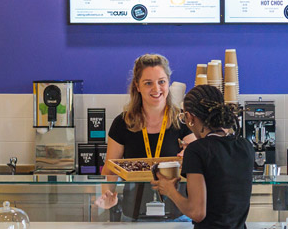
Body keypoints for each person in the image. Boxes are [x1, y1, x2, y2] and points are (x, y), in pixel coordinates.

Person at [94, 54, 197, 221]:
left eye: (161, 82)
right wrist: (107, 194)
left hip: (177, 217)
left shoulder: (183, 120)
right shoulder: (122, 123)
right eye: (148, 83)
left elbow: (200, 166)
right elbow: (110, 169)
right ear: (137, 86)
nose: (156, 89)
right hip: (133, 216)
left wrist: (191, 156)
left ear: (168, 83)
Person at [152, 85, 254, 229]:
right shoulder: (246, 146)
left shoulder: (196, 150)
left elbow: (197, 212)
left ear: (189, 117)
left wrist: (170, 190)